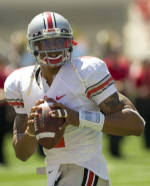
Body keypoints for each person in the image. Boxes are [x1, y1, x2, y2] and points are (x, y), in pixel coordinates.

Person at [4, 11, 145, 186]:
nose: (53, 48)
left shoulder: (85, 72)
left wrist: (77, 118)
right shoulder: (20, 82)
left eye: (58, 40)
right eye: (46, 42)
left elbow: (136, 124)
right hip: (54, 170)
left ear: (70, 42)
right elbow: (22, 154)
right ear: (34, 46)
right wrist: (31, 130)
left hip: (86, 169)